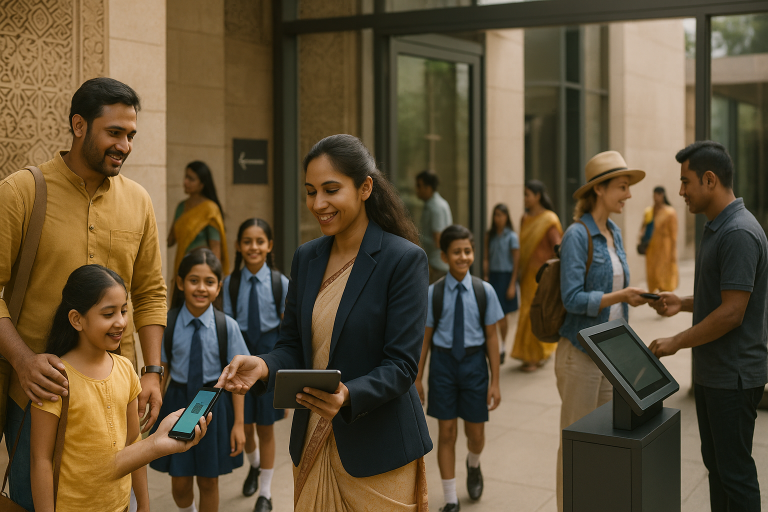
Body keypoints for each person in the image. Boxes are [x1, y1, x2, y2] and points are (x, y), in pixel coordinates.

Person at [217, 134, 432, 511]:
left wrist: (347, 395)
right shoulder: (307, 257)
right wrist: (263, 365)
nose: (318, 204)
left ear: (365, 188)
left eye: (331, 190)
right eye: (310, 192)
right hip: (312, 444)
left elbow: (401, 365)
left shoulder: (403, 260)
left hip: (378, 452)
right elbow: (292, 346)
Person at [0, 77, 167, 510]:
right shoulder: (22, 192)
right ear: (79, 125)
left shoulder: (139, 201)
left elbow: (151, 292)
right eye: (114, 132)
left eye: (131, 135)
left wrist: (152, 371)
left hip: (115, 398)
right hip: (37, 395)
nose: (125, 146)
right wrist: (23, 360)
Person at [30, 265, 210, 512]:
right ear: (76, 319)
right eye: (108, 314)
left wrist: (143, 504)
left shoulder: (126, 369)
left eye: (124, 311)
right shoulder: (55, 378)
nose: (121, 322)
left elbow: (134, 443)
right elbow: (40, 460)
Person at [649, 141, 768, 512]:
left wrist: (676, 341)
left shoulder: (738, 233)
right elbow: (724, 297)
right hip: (714, 374)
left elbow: (732, 312)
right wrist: (682, 303)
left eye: (686, 182)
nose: (681, 191)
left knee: (735, 474)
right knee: (718, 469)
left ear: (710, 180)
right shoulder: (719, 226)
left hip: (733, 378)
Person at [555, 151, 650, 512]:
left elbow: (616, 294)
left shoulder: (615, 233)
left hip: (611, 356)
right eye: (622, 187)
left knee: (604, 444)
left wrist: (632, 299)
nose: (628, 194)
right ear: (599, 189)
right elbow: (572, 298)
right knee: (576, 444)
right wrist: (621, 295)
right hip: (580, 356)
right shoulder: (577, 235)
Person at [150, 248, 248, 512]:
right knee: (180, 484)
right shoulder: (167, 323)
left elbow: (238, 381)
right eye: (194, 280)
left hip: (213, 406)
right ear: (181, 283)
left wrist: (239, 424)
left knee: (208, 481)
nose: (201, 288)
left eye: (209, 282)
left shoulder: (228, 326)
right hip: (178, 403)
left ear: (218, 287)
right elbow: (161, 373)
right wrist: (154, 410)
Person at [417, 224, 503, 512]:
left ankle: (473, 463)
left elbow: (492, 337)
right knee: (447, 433)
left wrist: (495, 381)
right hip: (443, 366)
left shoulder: (484, 291)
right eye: (456, 252)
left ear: (473, 253)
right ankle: (451, 498)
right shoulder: (433, 293)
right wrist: (418, 378)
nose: (463, 257)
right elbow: (425, 339)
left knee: (475, 435)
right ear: (444, 256)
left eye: (467, 251)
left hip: (474, 365)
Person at [222, 218, 289, 512]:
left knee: (266, 429)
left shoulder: (280, 283)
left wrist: (286, 379)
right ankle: (255, 464)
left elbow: (289, 334)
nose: (254, 247)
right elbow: (227, 327)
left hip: (270, 363)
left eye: (260, 241)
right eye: (247, 241)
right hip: (241, 359)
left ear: (269, 246)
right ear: (238, 246)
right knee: (246, 427)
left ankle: (265, 492)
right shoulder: (230, 284)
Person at [511, 181, 563, 372]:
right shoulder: (524, 218)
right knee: (525, 312)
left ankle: (536, 355)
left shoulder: (549, 219)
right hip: (527, 274)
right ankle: (529, 354)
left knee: (535, 312)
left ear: (537, 196)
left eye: (527, 195)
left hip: (542, 275)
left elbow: (557, 246)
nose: (524, 198)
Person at [168, 161, 229, 277]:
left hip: (202, 269)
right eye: (186, 177)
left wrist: (214, 276)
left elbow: (215, 247)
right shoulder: (181, 207)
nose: (185, 182)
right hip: (182, 267)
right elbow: (170, 240)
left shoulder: (210, 209)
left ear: (202, 184)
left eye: (191, 179)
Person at [483, 204, 520, 365]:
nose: (498, 218)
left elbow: (517, 262)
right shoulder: (490, 235)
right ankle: (493, 344)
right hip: (493, 276)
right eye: (496, 215)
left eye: (501, 215)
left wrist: (512, 284)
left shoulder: (512, 236)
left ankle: (503, 345)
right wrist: (485, 275)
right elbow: (486, 257)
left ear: (507, 217)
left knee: (503, 315)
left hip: (506, 277)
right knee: (491, 312)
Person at [639, 186, 679, 292]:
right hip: (651, 247)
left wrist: (673, 252)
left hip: (665, 247)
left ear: (662, 195)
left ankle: (665, 293)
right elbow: (643, 227)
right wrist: (641, 237)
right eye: (654, 195)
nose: (655, 198)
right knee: (652, 271)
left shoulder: (670, 212)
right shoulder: (649, 211)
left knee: (664, 271)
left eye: (658, 195)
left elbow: (674, 234)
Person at [416, 170, 453, 283]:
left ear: (428, 188)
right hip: (436, 264)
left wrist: (417, 240)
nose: (417, 190)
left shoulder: (436, 206)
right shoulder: (435, 204)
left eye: (419, 186)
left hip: (437, 266)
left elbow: (438, 240)